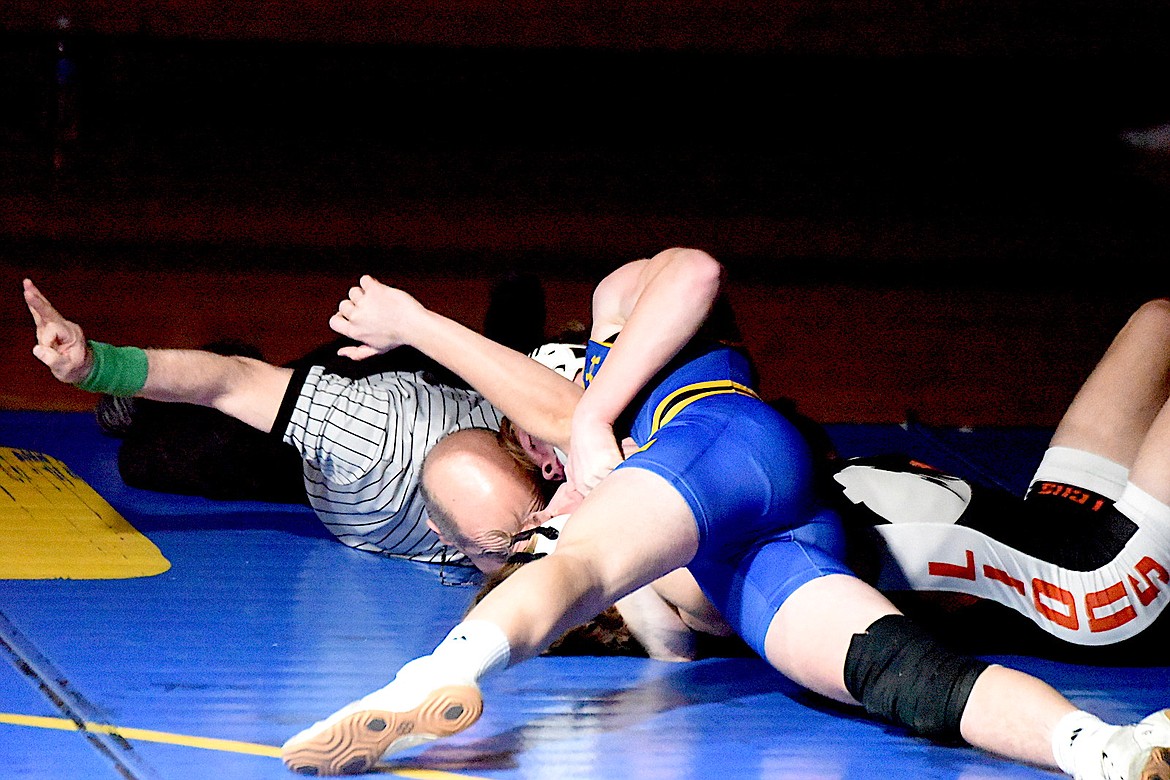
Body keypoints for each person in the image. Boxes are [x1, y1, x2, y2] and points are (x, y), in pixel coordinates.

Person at [278, 248, 1170, 779]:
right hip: (792, 551)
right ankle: (1104, 749)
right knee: (910, 680)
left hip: (762, 478)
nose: (552, 441)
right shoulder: (614, 460)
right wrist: (590, 499)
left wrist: (585, 419)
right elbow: (650, 622)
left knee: (580, 562)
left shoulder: (619, 336)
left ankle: (429, 674)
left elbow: (690, 278)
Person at [22, 277, 516, 564]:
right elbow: (228, 381)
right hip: (372, 399)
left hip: (433, 413)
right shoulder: (362, 435)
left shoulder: (557, 497)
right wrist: (99, 368)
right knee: (148, 458)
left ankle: (511, 342)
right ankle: (508, 343)